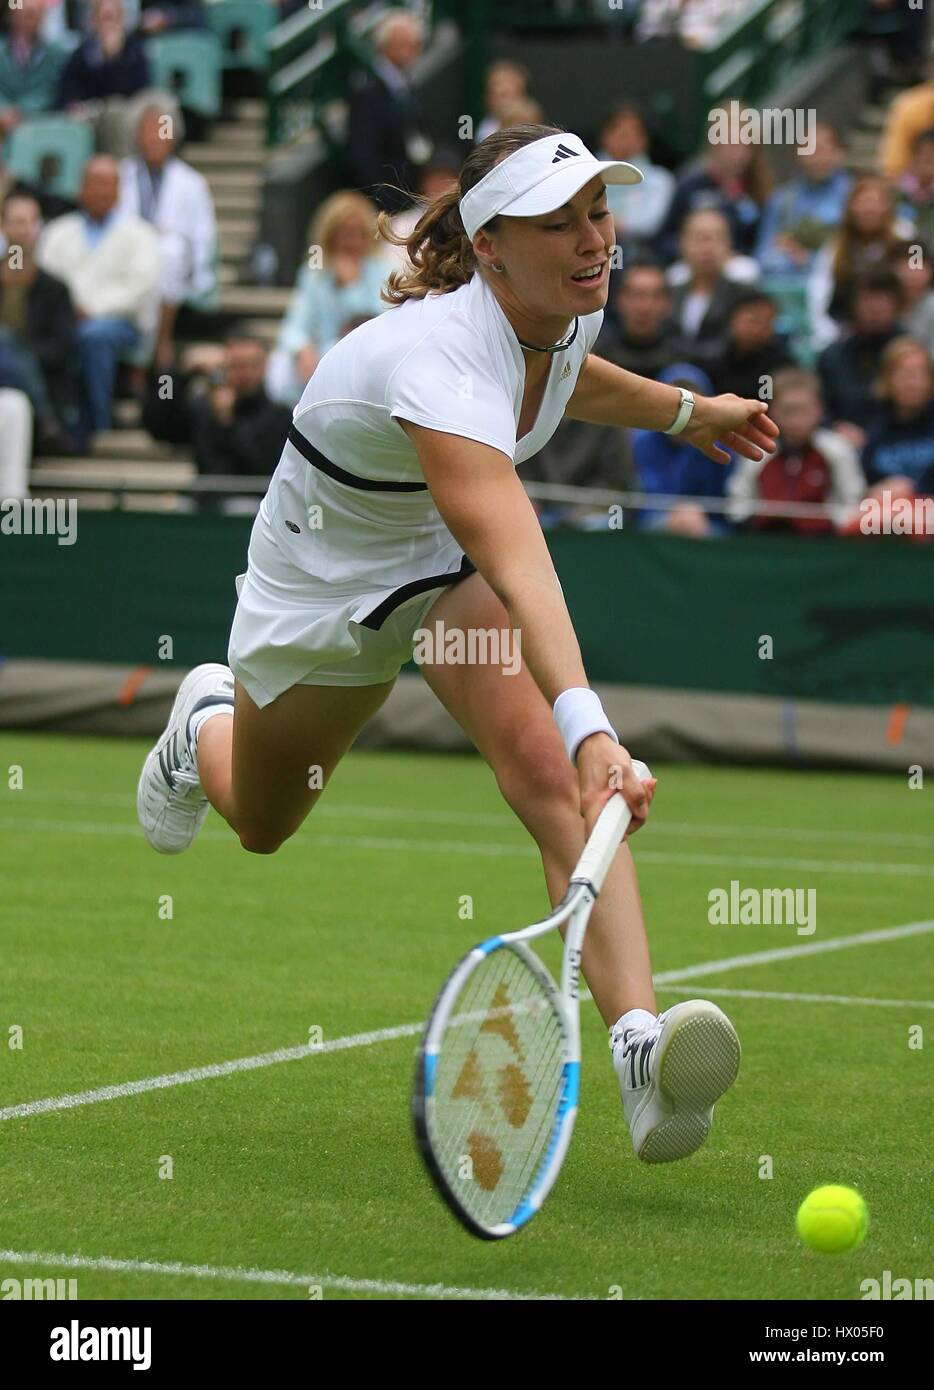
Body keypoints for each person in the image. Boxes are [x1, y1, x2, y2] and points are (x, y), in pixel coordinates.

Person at [137, 125, 778, 1165]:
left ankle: (639, 1050)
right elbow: (525, 564)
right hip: (323, 582)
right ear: (489, 247)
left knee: (543, 773)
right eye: (558, 223)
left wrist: (687, 411)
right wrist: (595, 730)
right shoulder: (438, 364)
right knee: (260, 820)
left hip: (434, 563)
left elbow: (570, 377)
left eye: (598, 214)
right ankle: (200, 717)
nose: (592, 242)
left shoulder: (559, 310)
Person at [36, 154, 160, 443]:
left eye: (107, 184)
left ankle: (98, 422)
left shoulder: (139, 233)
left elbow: (141, 287)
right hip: (66, 321)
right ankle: (60, 417)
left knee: (94, 336)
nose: (100, 191)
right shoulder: (57, 232)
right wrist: (70, 311)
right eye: (93, 183)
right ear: (80, 188)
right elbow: (47, 281)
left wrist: (92, 309)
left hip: (120, 325)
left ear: (118, 190)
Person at [117, 99, 218, 370]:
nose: (154, 139)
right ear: (137, 137)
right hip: (127, 263)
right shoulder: (120, 175)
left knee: (169, 252)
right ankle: (155, 350)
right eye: (147, 131)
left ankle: (151, 351)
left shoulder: (192, 182)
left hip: (172, 270)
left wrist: (202, 278)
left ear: (173, 137)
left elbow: (203, 236)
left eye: (161, 131)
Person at [266, 191, 392, 408]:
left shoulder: (382, 269)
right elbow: (295, 325)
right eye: (345, 234)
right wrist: (302, 348)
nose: (352, 242)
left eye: (359, 234)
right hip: (322, 355)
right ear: (330, 235)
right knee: (280, 365)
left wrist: (350, 286)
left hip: (366, 357)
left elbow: (375, 322)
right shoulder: (315, 272)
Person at [727, 368, 864, 535]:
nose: (796, 420)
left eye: (803, 410)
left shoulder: (838, 450)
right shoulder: (757, 450)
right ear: (774, 411)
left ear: (819, 410)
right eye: (788, 410)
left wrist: (827, 525)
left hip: (825, 545)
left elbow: (852, 502)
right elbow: (739, 503)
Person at [0, 191, 79, 455]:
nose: (23, 230)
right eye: (16, 221)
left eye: (29, 222)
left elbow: (62, 349)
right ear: (3, 225)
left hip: (41, 380)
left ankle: (45, 417)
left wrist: (21, 354)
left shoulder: (54, 288)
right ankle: (47, 422)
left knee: (7, 342)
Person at [345, 9, 434, 214]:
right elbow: (362, 156)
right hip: (383, 206)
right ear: (383, 46)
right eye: (402, 43)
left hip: (410, 199)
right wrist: (384, 201)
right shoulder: (366, 90)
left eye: (414, 44)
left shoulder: (408, 87)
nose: (410, 50)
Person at [754, 123, 852, 283]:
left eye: (823, 149)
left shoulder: (855, 196)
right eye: (810, 150)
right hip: (788, 288)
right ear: (798, 155)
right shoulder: (782, 200)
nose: (818, 158)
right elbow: (763, 256)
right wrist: (790, 258)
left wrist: (808, 259)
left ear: (838, 153)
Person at [593, 104, 675, 253]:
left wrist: (611, 223)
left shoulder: (660, 179)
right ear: (604, 136)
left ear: (644, 140)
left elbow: (649, 225)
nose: (626, 140)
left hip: (641, 251)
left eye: (633, 134)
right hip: (594, 245)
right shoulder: (587, 174)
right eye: (620, 133)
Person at [0, 0, 69, 137]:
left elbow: (52, 90)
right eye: (26, 14)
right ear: (12, 15)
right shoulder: (2, 51)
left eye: (34, 14)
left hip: (41, 126)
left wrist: (21, 112)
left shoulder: (58, 53)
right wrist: (4, 111)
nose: (29, 19)